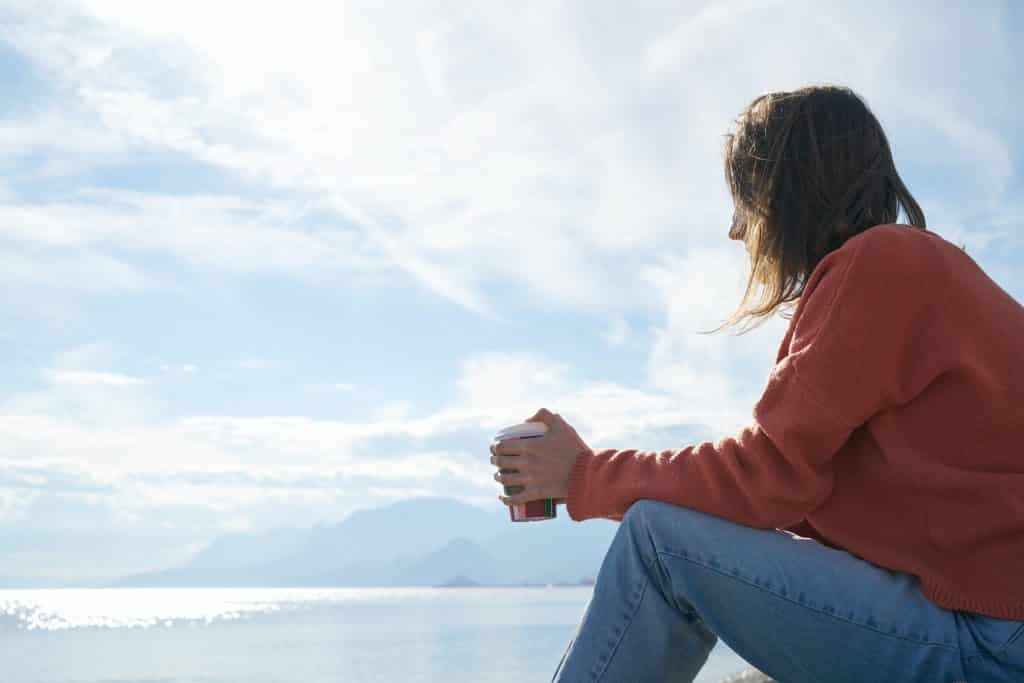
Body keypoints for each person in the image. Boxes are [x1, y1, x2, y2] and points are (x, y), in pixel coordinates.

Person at [490, 85, 1024, 682]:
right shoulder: (927, 272)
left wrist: (584, 476)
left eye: (744, 200)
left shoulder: (879, 265)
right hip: (994, 621)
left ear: (785, 190)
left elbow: (768, 476)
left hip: (993, 639)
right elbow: (799, 492)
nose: (737, 231)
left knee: (658, 542)